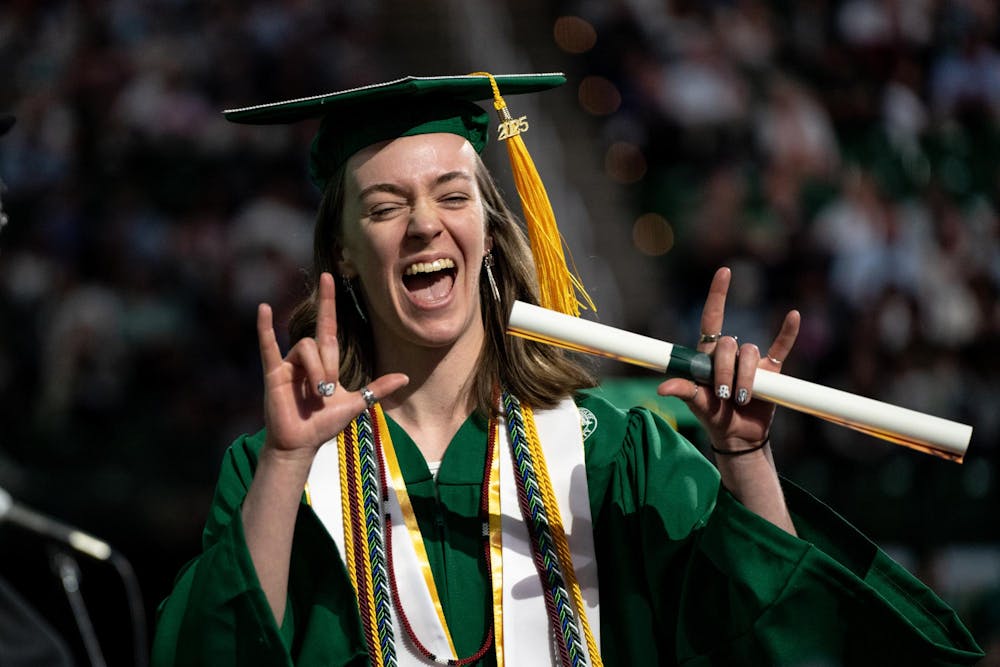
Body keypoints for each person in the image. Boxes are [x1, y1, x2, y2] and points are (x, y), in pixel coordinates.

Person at [150, 73, 983, 666]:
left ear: (486, 225)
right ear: (343, 249)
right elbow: (214, 652)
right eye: (385, 206)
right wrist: (288, 463)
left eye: (451, 195)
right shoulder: (283, 472)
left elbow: (765, 640)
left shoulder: (617, 453)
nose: (423, 226)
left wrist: (744, 457)